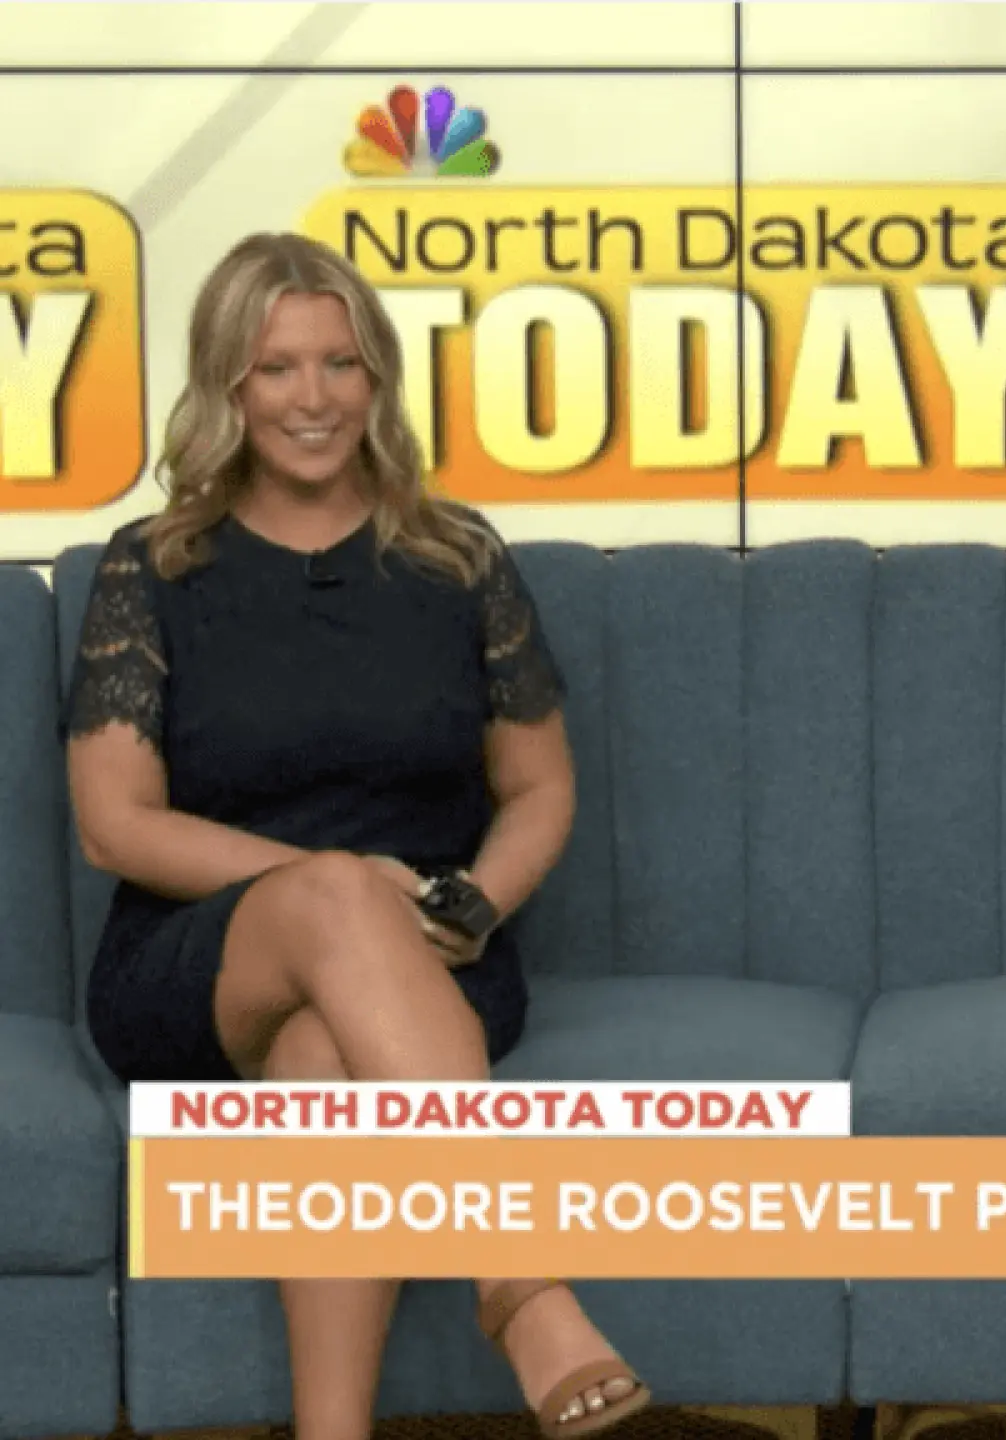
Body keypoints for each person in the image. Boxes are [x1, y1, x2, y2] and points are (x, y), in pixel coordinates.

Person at [63, 232, 650, 1440]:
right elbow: (114, 827)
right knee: (331, 898)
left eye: (341, 364)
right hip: (196, 966)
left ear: (378, 378)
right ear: (226, 385)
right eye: (275, 369)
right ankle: (522, 1282)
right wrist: (343, 884)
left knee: (326, 1059)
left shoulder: (456, 556)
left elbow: (538, 789)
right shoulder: (155, 565)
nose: (313, 399)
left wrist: (474, 900)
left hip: (429, 966)